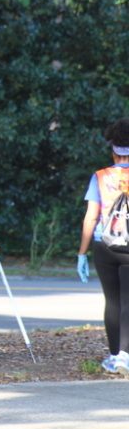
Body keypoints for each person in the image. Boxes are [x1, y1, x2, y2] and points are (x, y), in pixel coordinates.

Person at [78, 118, 129, 375]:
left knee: (112, 301)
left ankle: (113, 356)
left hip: (104, 244)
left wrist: (81, 253)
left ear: (113, 149)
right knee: (128, 301)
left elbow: (91, 216)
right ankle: (126, 356)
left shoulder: (100, 177)